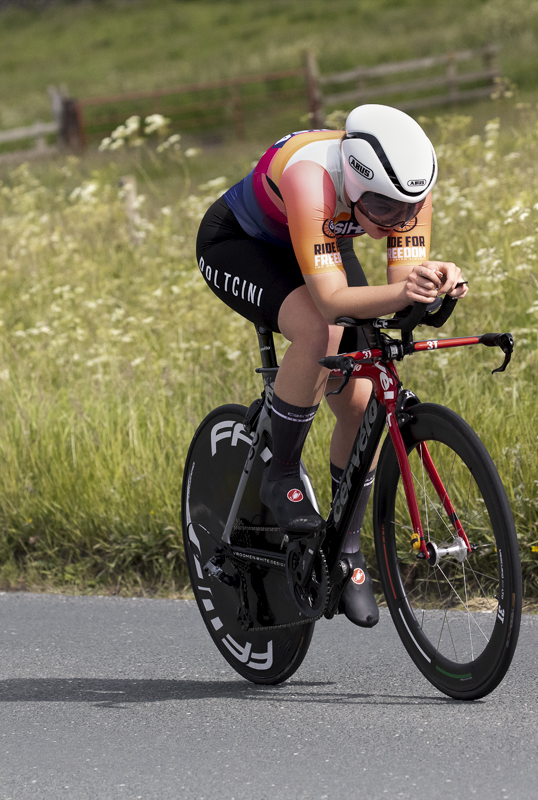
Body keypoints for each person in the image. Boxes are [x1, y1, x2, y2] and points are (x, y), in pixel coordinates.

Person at [194, 104, 469, 628]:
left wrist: (434, 283)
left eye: (406, 211)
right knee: (324, 330)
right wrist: (401, 290)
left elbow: (401, 281)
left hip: (322, 241)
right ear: (355, 178)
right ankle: (280, 473)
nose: (396, 221)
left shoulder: (406, 191)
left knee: (361, 395)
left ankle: (345, 546)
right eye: (383, 211)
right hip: (242, 245)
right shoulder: (309, 175)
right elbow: (330, 300)